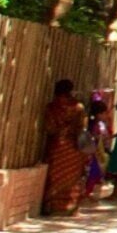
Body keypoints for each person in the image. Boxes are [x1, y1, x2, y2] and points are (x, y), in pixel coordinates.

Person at [40, 81, 91, 216]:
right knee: (72, 178)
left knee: (55, 177)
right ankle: (69, 206)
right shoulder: (78, 107)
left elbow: (49, 128)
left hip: (57, 146)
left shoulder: (51, 107)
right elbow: (81, 128)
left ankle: (52, 206)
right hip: (73, 147)